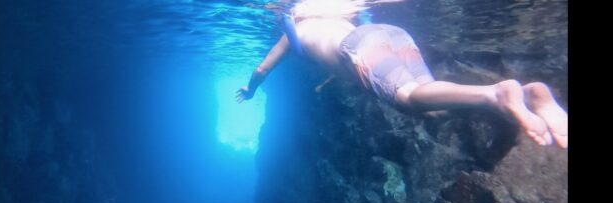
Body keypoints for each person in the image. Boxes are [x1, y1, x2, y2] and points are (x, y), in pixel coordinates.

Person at [236, 0, 568, 148]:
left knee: (408, 98)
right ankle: (528, 96)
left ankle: (498, 93)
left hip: (356, 46)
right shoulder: (334, 14)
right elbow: (342, 59)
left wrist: (251, 90)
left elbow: (261, 69)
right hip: (387, 33)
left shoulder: (291, 25)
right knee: (432, 103)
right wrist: (332, 79)